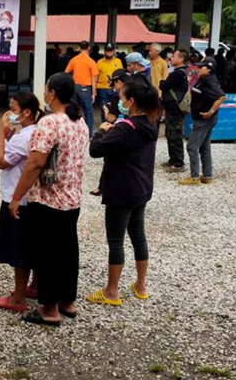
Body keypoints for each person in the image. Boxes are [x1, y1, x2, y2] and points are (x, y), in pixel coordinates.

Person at [9, 72, 89, 326]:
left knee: (47, 255)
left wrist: (17, 196)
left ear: (52, 93)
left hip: (48, 198)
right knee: (67, 251)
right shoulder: (80, 121)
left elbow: (35, 163)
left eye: (46, 89)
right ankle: (68, 301)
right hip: (72, 197)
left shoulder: (50, 122)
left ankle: (50, 309)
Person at [86, 80, 160, 307]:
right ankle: (140, 285)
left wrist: (101, 131)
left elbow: (95, 150)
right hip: (142, 188)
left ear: (131, 102)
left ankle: (111, 291)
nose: (119, 100)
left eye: (121, 96)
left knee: (116, 241)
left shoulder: (125, 128)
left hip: (121, 190)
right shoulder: (150, 123)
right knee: (138, 235)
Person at [0, 92, 41, 313]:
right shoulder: (39, 132)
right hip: (36, 198)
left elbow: (2, 162)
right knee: (34, 246)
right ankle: (35, 286)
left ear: (26, 112)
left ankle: (18, 298)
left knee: (20, 249)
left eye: (13, 109)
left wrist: (1, 133)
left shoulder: (23, 137)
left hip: (17, 197)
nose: (9, 114)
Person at [180, 58, 226, 185]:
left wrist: (210, 112)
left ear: (209, 69)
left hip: (203, 119)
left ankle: (194, 177)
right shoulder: (203, 78)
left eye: (202, 67)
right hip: (202, 118)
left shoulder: (210, 81)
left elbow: (221, 97)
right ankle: (207, 175)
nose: (198, 69)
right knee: (204, 146)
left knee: (192, 146)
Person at [90, 68, 130, 197]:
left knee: (109, 160)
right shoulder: (135, 92)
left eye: (114, 84)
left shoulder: (116, 97)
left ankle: (102, 187)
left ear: (118, 82)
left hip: (116, 130)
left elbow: (111, 118)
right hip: (131, 130)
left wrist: (105, 110)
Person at [159, 49, 190, 173]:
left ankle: (178, 162)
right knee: (170, 133)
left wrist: (162, 81)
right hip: (172, 108)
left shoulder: (178, 74)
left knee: (175, 134)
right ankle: (173, 159)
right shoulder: (182, 72)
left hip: (175, 109)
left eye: (174, 56)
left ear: (181, 59)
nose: (171, 58)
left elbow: (164, 85)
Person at [65, 41, 99, 136]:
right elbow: (94, 78)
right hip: (85, 89)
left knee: (72, 110)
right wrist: (94, 93)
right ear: (88, 48)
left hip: (75, 87)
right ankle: (88, 134)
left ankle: (72, 132)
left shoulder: (74, 60)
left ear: (79, 48)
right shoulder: (91, 61)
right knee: (88, 112)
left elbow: (66, 73)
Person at [96, 43, 123, 121]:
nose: (109, 53)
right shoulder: (100, 62)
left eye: (110, 51)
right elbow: (96, 76)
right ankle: (104, 125)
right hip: (102, 88)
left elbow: (121, 75)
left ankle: (113, 125)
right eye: (107, 51)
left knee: (115, 108)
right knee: (103, 108)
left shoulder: (118, 61)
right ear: (104, 51)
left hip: (115, 89)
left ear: (113, 51)